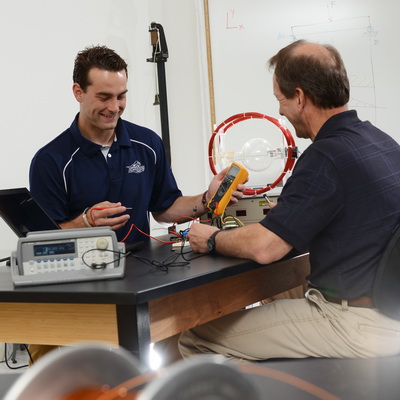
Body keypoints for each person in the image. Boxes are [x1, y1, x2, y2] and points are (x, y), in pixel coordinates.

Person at [179, 40, 400, 362]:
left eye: (280, 100)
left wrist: (212, 238)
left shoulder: (325, 155)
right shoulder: (380, 140)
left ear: (299, 97)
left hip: (357, 322)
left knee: (196, 338)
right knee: (277, 292)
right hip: (388, 305)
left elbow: (265, 248)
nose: (280, 110)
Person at [27, 45, 244, 364]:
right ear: (78, 92)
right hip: (80, 285)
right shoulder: (50, 161)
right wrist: (85, 223)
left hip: (144, 273)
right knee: (66, 364)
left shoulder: (148, 145)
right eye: (104, 97)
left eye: (121, 96)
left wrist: (205, 199)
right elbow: (42, 242)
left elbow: (165, 206)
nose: (114, 107)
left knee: (181, 339)